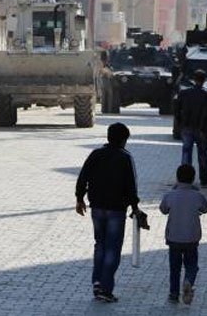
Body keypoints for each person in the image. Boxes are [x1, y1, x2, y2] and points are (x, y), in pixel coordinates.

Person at [75, 122, 140, 303]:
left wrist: (79, 199)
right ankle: (106, 288)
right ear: (124, 140)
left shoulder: (96, 154)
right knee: (112, 247)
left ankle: (97, 281)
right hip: (117, 210)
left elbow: (83, 177)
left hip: (97, 208)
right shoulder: (125, 158)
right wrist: (135, 208)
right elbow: (131, 186)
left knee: (100, 244)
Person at [159, 164, 207, 304]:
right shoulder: (197, 196)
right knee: (192, 265)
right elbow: (206, 208)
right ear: (193, 179)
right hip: (191, 238)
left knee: (174, 267)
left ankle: (173, 294)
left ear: (177, 178)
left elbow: (163, 209)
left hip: (174, 238)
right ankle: (188, 281)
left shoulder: (170, 195)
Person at [175, 69, 207, 185]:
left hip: (187, 126)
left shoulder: (185, 93)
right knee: (202, 154)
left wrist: (180, 123)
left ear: (194, 79)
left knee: (186, 153)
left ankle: (185, 179)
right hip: (201, 128)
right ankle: (204, 179)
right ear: (204, 80)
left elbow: (177, 109)